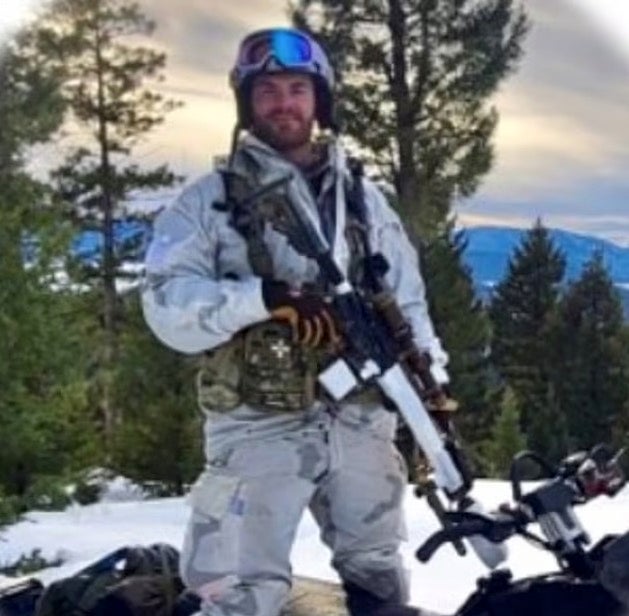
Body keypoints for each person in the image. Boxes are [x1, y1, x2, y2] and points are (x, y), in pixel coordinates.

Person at [141, 27, 451, 616]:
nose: (284, 103)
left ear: (319, 101)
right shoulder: (208, 202)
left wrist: (431, 381)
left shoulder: (363, 199)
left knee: (379, 576)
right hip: (258, 426)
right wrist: (264, 297)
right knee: (233, 588)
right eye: (268, 91)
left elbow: (408, 301)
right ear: (247, 103)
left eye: (297, 89)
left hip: (361, 418)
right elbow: (166, 304)